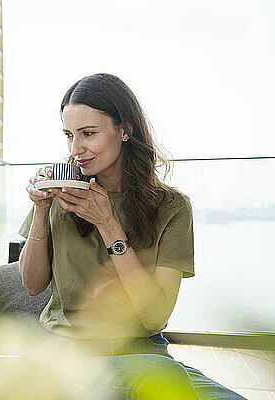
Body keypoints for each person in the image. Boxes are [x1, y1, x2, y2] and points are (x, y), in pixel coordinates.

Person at [19, 73, 246, 399]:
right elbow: (31, 284)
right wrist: (42, 210)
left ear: (125, 129)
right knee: (160, 383)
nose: (75, 148)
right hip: (70, 349)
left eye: (88, 134)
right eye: (69, 135)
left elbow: (153, 318)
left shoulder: (172, 207)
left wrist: (109, 225)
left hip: (143, 349)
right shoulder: (62, 193)